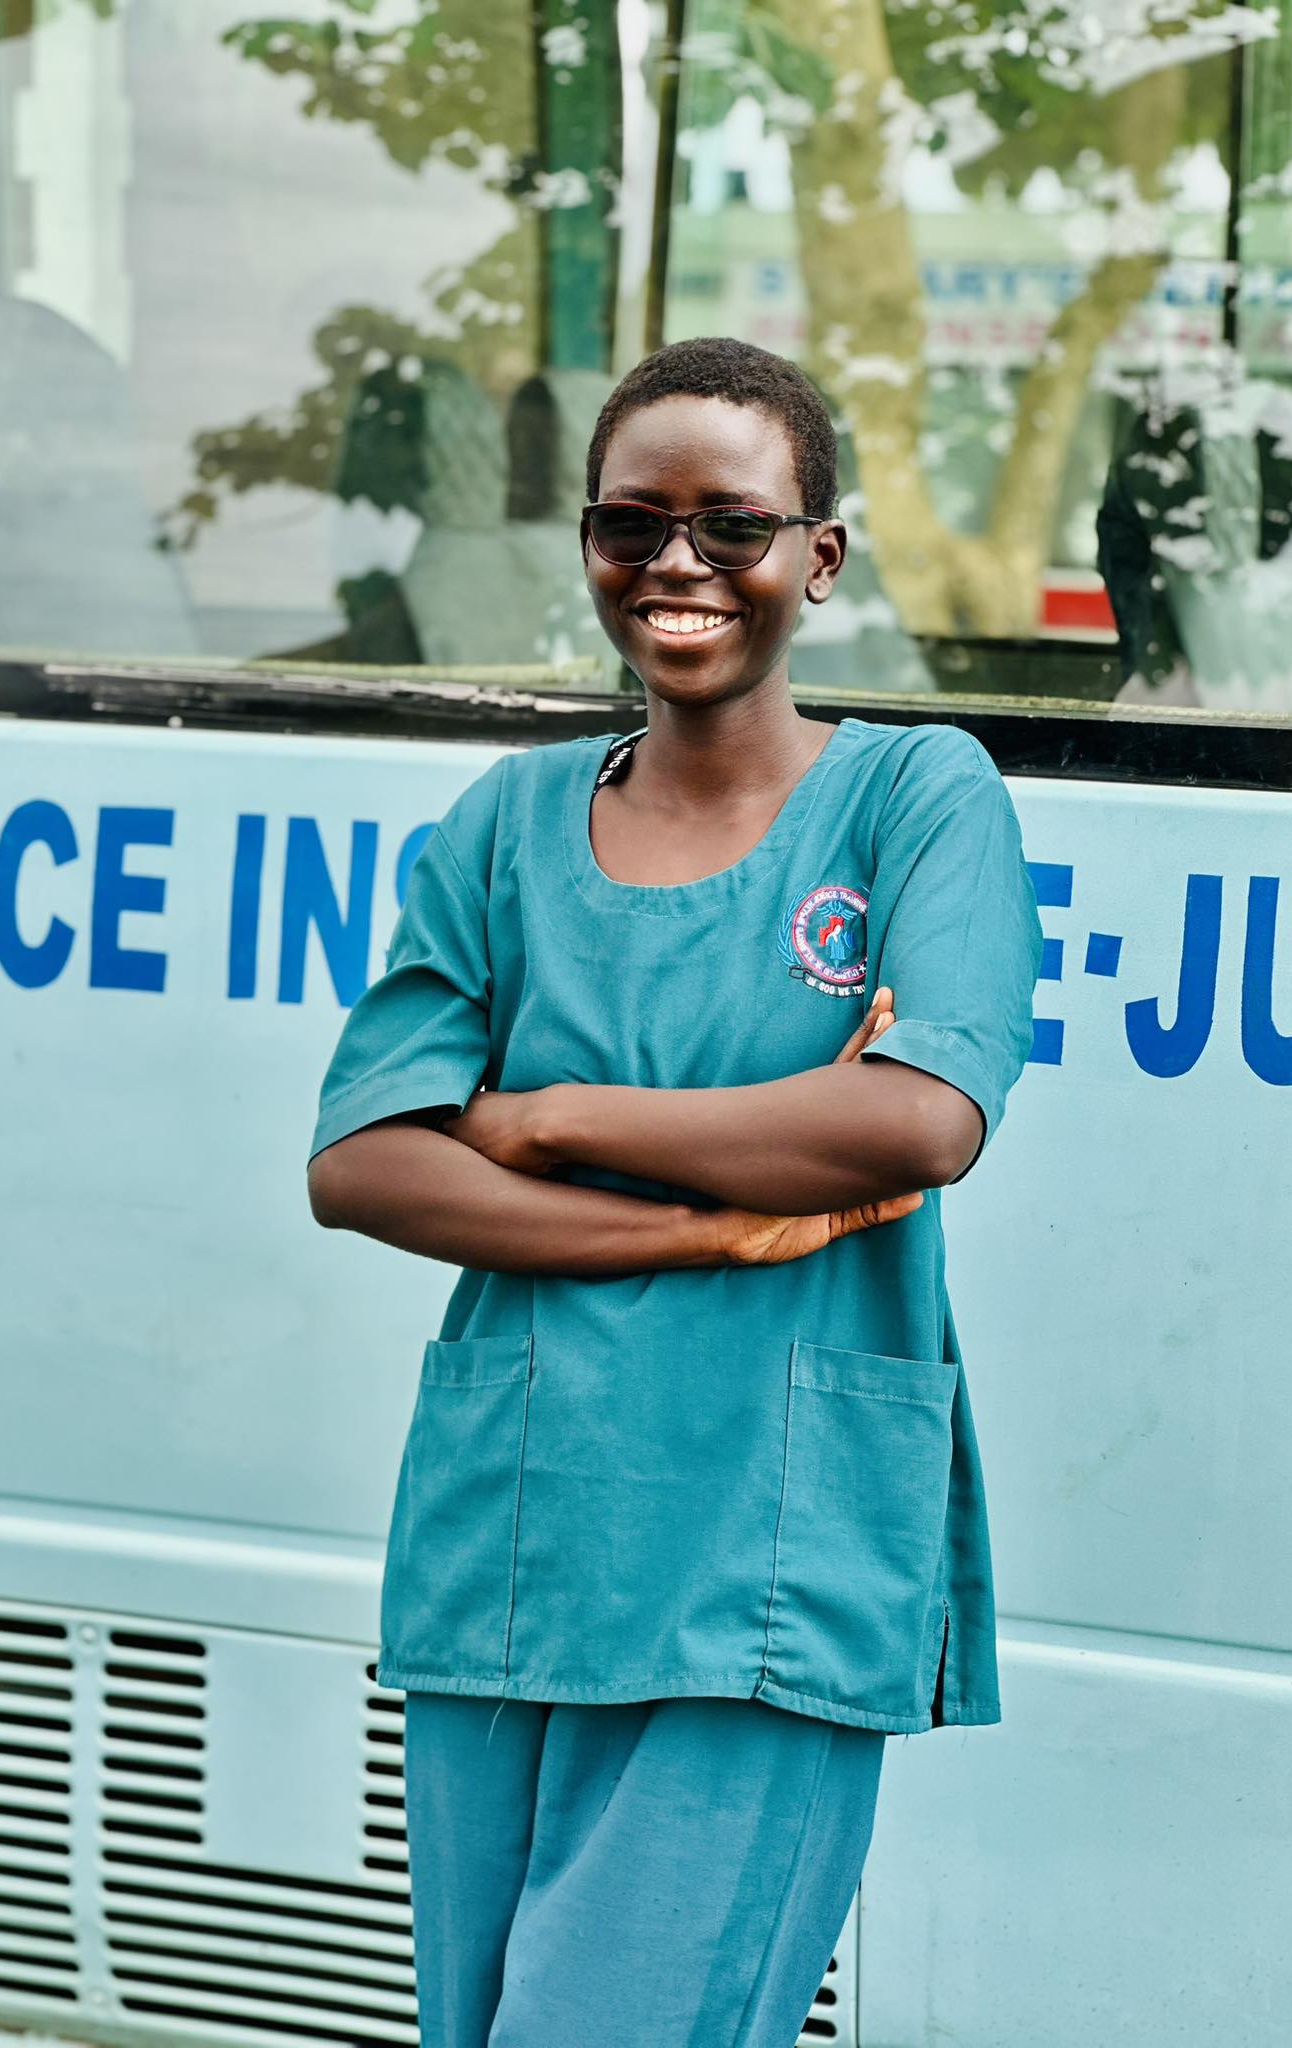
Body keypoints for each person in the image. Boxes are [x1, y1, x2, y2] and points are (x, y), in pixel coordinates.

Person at [306, 336, 1042, 2047]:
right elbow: (364, 1162)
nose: (679, 566)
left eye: (734, 524)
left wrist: (550, 1119)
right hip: (514, 1537)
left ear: (820, 555)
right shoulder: (504, 823)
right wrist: (712, 1219)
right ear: (586, 544)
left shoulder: (916, 799)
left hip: (767, 1554)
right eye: (633, 525)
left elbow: (922, 1120)